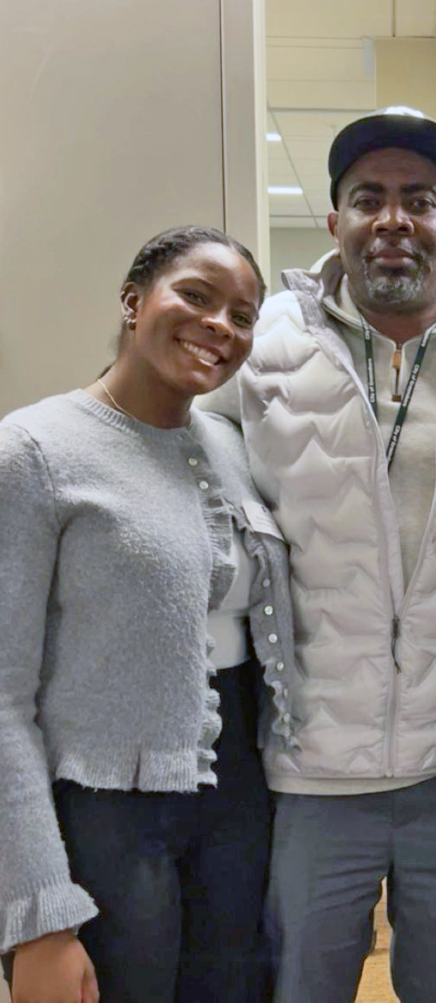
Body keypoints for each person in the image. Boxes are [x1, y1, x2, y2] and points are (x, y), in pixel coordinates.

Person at [221, 107, 436, 1003]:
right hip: (311, 769)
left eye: (421, 199)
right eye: (368, 198)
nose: (393, 219)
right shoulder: (258, 353)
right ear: (334, 223)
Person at [0, 226, 297, 1003]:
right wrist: (37, 919)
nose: (219, 326)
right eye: (196, 296)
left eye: (242, 315)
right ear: (134, 302)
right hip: (107, 809)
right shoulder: (36, 450)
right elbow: (1, 699)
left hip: (240, 791)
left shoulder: (232, 446)